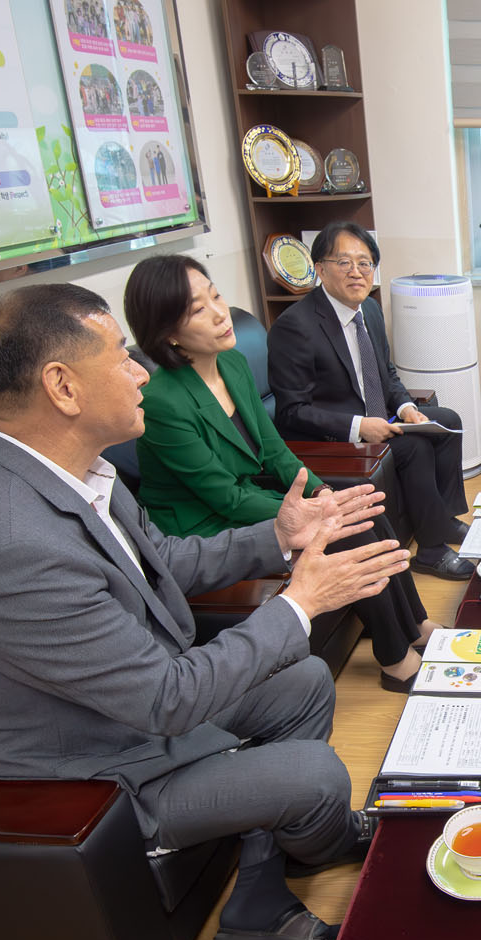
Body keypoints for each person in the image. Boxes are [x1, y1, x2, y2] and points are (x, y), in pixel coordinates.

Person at [0, 283, 414, 940]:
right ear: (63, 386)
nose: (141, 373)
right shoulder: (10, 546)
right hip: (85, 775)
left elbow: (164, 562)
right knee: (315, 773)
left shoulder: (75, 472)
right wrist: (301, 603)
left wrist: (280, 536)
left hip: (124, 712)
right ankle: (296, 851)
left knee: (302, 682)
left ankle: (276, 871)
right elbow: (165, 699)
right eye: (121, 357)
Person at [124, 254, 445, 693]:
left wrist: (323, 492)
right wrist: (317, 514)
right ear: (168, 334)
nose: (219, 313)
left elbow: (274, 449)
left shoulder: (232, 364)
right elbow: (224, 498)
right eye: (199, 309)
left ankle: (414, 624)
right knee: (343, 530)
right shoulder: (163, 401)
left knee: (363, 508)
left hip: (247, 495)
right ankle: (395, 660)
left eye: (216, 296)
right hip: (203, 523)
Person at [268, 221, 473, 579]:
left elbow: (387, 374)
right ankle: (430, 550)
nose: (356, 272)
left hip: (379, 417)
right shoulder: (295, 327)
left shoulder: (370, 311)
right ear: (320, 269)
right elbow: (292, 411)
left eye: (365, 263)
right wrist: (359, 426)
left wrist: (407, 408)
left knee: (448, 421)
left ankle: (443, 517)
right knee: (414, 447)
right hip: (335, 437)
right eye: (344, 262)